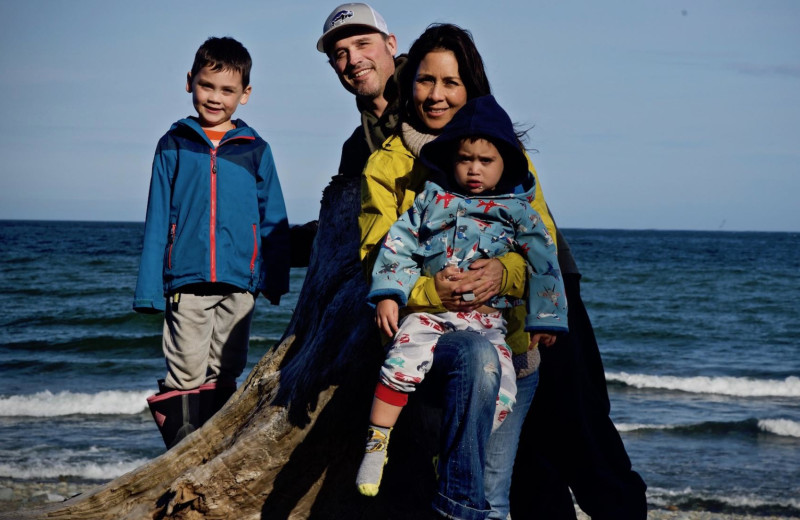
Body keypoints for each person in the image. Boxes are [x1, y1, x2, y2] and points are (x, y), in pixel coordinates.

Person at [318, 5, 646, 519]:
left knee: (582, 437)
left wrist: (505, 274)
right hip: (456, 328)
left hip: (546, 302)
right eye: (426, 81)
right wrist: (429, 291)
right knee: (515, 467)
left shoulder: (502, 150)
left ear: (471, 86)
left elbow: (538, 240)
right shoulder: (385, 159)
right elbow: (382, 252)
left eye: (451, 82)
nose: (436, 94)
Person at [356, 94, 568, 498]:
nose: (473, 170)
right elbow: (397, 246)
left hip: (488, 322)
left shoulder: (519, 211)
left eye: (485, 161)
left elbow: (544, 262)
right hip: (429, 316)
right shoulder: (432, 200)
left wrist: (546, 318)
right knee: (400, 362)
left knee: (500, 389)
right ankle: (377, 442)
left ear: (506, 162)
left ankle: (454, 454)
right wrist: (390, 294)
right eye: (465, 159)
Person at [133, 36, 290, 449]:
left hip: (240, 282)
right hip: (186, 281)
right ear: (190, 82)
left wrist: (273, 276)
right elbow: (157, 217)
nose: (215, 97)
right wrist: (150, 289)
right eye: (207, 85)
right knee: (185, 371)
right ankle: (182, 453)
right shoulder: (174, 144)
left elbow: (272, 216)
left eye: (227, 90)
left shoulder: (256, 150)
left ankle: (215, 451)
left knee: (227, 370)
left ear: (245, 94)